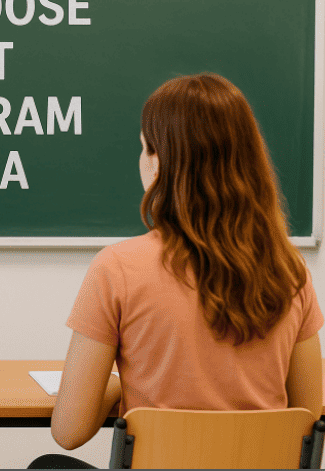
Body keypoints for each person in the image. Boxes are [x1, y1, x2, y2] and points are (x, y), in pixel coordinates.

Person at [29, 73, 323, 469]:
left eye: (144, 148)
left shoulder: (117, 268)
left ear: (160, 161)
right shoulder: (291, 273)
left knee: (48, 465)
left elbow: (69, 431)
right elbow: (306, 421)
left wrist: (118, 385)